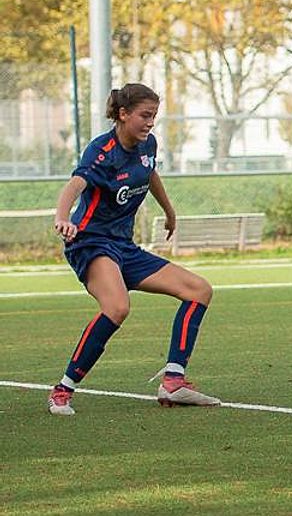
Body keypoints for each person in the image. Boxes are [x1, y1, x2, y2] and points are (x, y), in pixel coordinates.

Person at [47, 83, 220, 416]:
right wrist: (62, 218)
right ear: (123, 114)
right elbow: (75, 184)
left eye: (154, 116)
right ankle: (62, 390)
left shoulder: (147, 143)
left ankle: (173, 381)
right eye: (145, 115)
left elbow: (149, 173)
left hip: (124, 246)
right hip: (90, 242)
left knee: (199, 290)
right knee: (117, 307)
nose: (150, 122)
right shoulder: (101, 151)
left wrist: (169, 211)